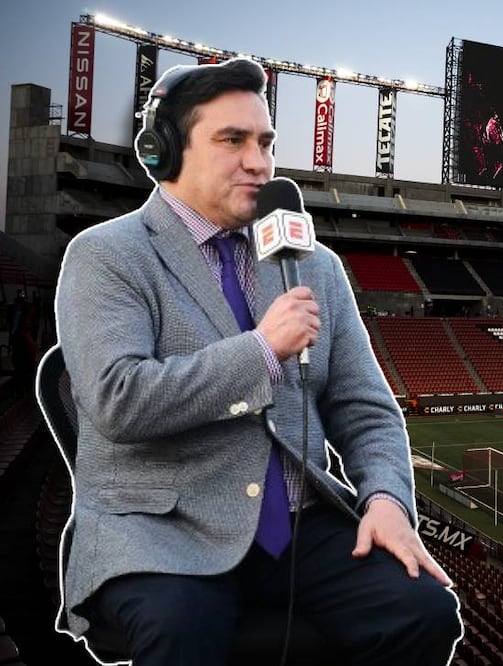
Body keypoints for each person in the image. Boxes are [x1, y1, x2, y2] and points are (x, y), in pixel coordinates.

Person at [50, 58, 461, 665]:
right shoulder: (108, 256)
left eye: (265, 142)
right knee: (181, 630)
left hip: (299, 527)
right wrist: (262, 351)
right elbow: (119, 400)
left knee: (423, 611)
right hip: (162, 534)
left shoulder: (314, 265)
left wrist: (386, 501)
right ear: (165, 151)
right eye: (232, 140)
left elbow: (366, 409)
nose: (260, 162)